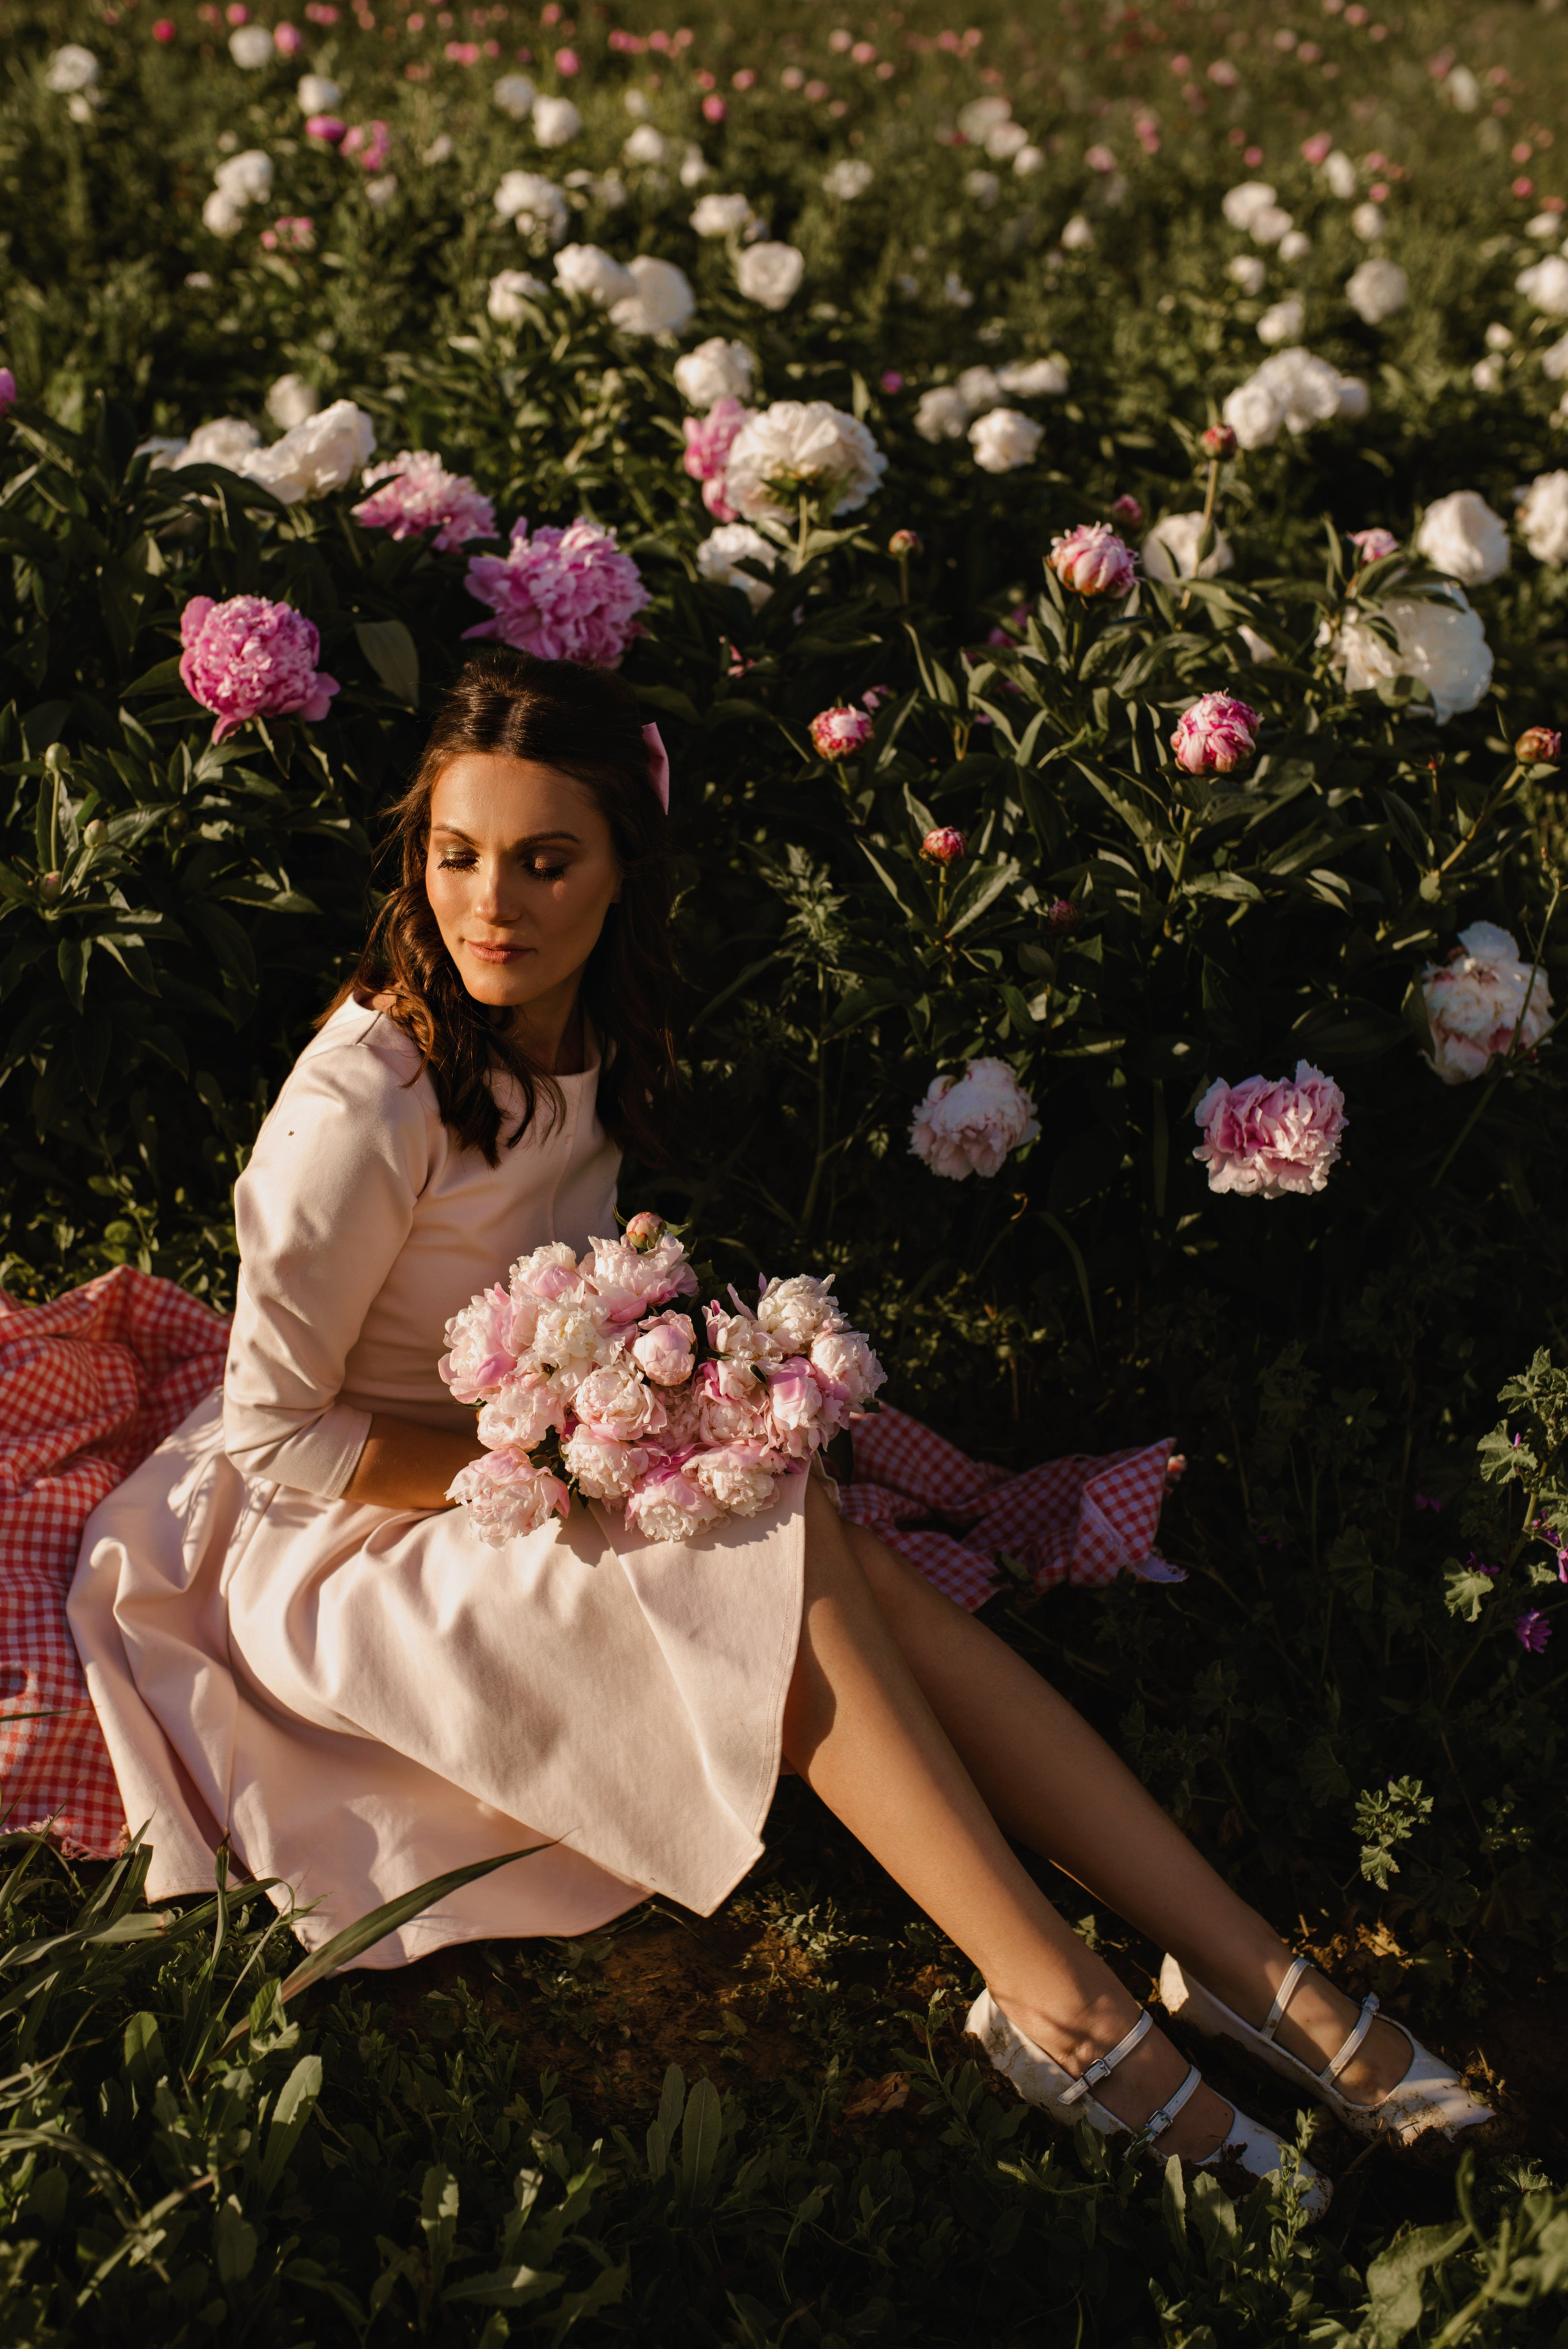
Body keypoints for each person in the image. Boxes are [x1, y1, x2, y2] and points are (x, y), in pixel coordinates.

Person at [69, 649, 1491, 2218]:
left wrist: (639, 1424)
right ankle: (1089, 2012)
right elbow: (277, 1439)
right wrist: (564, 1477)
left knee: (809, 1542)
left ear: (621, 873)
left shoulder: (583, 1034)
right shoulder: (366, 1100)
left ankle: (1237, 1974)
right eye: (457, 857)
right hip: (345, 1540)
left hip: (525, 1455)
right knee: (759, 1540)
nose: (494, 905)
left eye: (547, 862)